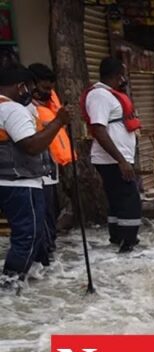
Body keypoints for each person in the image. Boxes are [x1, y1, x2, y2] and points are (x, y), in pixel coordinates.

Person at [0, 65, 70, 286]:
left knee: (27, 234)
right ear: (21, 87)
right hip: (21, 183)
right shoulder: (12, 110)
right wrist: (59, 122)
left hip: (8, 181)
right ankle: (10, 285)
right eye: (29, 87)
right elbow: (30, 146)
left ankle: (24, 281)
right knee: (28, 235)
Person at [81, 57, 142, 253]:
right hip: (113, 160)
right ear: (117, 76)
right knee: (130, 199)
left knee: (118, 200)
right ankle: (128, 243)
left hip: (117, 158)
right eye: (123, 75)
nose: (125, 79)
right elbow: (98, 129)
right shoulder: (100, 96)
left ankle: (119, 239)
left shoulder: (109, 94)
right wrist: (121, 161)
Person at [28, 63, 72, 259]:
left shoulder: (50, 108)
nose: (48, 93)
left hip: (50, 171)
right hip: (35, 174)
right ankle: (43, 257)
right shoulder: (26, 110)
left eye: (50, 89)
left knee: (50, 215)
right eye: (45, 88)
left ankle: (49, 254)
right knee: (42, 218)